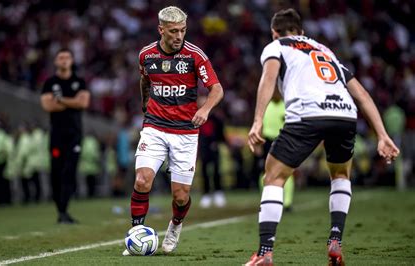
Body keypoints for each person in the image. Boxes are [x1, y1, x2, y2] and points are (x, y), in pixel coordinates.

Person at [245, 9, 399, 266]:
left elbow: (268, 77)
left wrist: (257, 120)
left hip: (308, 112)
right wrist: (382, 134)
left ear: (274, 33)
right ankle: (335, 239)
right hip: (345, 114)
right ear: (302, 32)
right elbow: (360, 92)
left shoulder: (277, 46)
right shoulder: (324, 50)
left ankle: (264, 252)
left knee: (273, 176)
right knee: (340, 174)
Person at [123, 6, 224, 255]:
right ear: (161, 30)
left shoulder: (194, 55)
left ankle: (175, 225)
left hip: (186, 132)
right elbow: (145, 80)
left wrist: (205, 110)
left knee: (180, 196)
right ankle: (136, 234)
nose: (179, 36)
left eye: (183, 30)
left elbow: (217, 89)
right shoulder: (146, 55)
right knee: (142, 180)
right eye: (174, 31)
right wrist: (145, 101)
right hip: (155, 127)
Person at [40, 48, 90, 224]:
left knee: (70, 171)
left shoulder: (79, 81)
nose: (64, 60)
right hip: (57, 136)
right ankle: (61, 210)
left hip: (74, 136)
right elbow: (47, 106)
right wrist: (72, 102)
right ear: (55, 61)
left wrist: (60, 100)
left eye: (67, 57)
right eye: (60, 57)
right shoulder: (49, 82)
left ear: (72, 60)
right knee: (56, 172)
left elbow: (83, 102)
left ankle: (64, 210)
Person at [259, 93, 294, 211]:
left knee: (286, 171)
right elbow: (259, 126)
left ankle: (287, 203)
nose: (276, 94)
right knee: (265, 171)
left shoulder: (287, 106)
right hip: (267, 141)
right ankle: (265, 198)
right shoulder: (265, 107)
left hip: (283, 140)